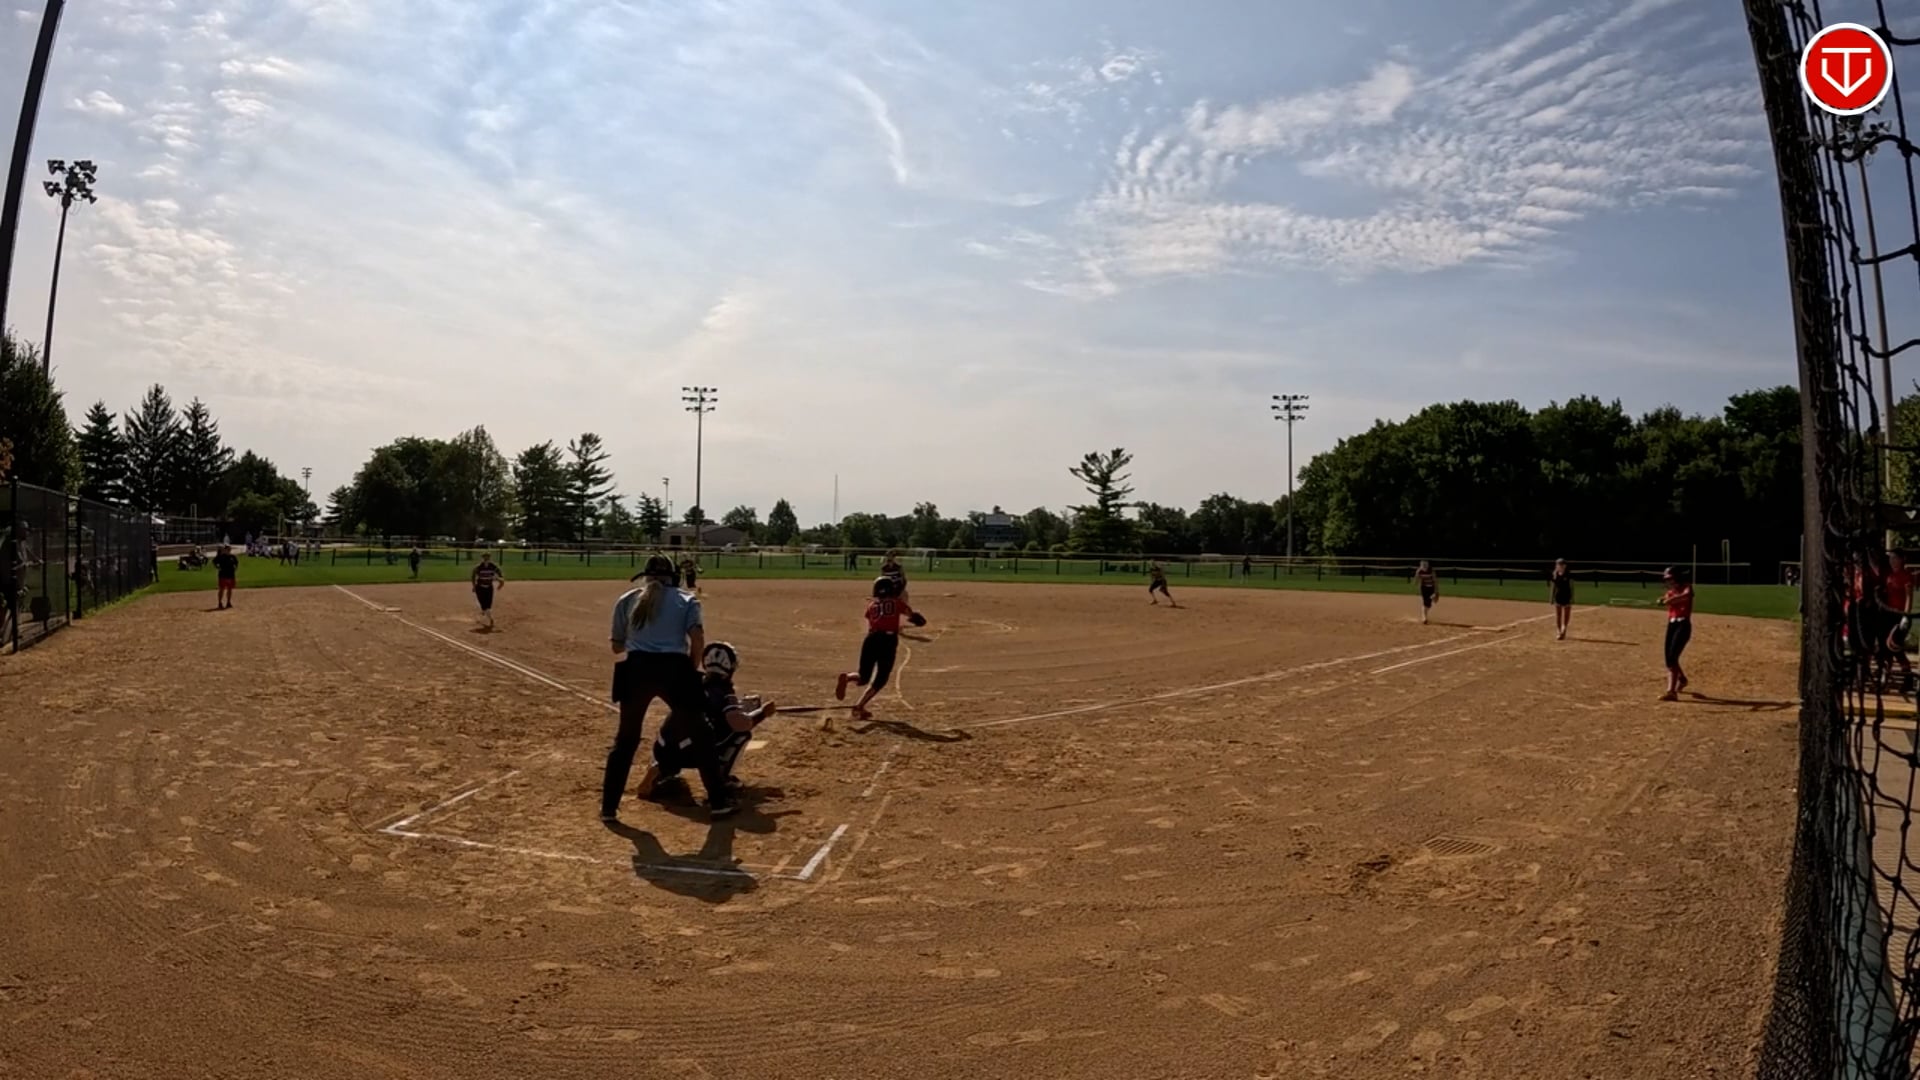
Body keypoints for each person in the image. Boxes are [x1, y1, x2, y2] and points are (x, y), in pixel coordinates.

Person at [603, 555, 722, 818]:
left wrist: (641, 639)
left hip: (635, 669)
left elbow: (617, 647)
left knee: (626, 739)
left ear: (645, 577)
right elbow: (697, 638)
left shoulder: (627, 600)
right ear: (672, 577)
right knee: (701, 734)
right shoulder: (686, 600)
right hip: (674, 668)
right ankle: (719, 802)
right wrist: (691, 669)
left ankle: (609, 808)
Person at [637, 641, 779, 803]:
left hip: (662, 749)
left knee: (682, 730)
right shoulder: (725, 692)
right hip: (691, 753)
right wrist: (762, 713)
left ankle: (660, 769)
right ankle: (722, 779)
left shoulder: (691, 682)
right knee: (741, 734)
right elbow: (739, 723)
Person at [833, 575, 926, 727]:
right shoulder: (897, 602)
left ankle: (848, 677)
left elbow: (872, 620)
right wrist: (917, 620)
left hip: (870, 639)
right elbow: (911, 615)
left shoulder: (872, 605)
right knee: (880, 679)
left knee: (863, 676)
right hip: (888, 641)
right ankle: (859, 706)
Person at [1658, 566, 1694, 701]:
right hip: (1672, 625)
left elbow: (1686, 596)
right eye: (1667, 579)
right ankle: (1682, 679)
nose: (1669, 582)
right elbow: (1667, 598)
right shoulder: (1670, 592)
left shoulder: (1687, 588)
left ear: (1677, 578)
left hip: (1683, 626)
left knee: (1672, 656)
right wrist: (1663, 600)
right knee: (1669, 658)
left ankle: (1671, 692)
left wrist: (1670, 600)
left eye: (1670, 579)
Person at [470, 552, 505, 628]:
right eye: (485, 557)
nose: (486, 559)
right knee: (484, 605)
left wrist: (499, 580)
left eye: (488, 557)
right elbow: (473, 576)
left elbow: (501, 576)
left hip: (489, 587)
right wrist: (474, 586)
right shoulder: (479, 567)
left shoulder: (493, 566)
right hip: (480, 588)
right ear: (482, 558)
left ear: (489, 558)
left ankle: (485, 611)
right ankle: (491, 619)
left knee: (488, 605)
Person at [1549, 558, 1574, 640]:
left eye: (1561, 564)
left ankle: (1564, 628)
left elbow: (1571, 586)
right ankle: (1559, 631)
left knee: (1566, 615)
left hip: (1567, 596)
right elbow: (1553, 587)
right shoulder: (1555, 574)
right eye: (1558, 564)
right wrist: (1551, 598)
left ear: (1565, 566)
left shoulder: (1568, 574)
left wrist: (1572, 598)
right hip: (1558, 596)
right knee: (1558, 615)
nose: (1559, 566)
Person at [213, 544, 239, 610]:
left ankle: (228, 602)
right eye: (227, 549)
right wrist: (217, 567)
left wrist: (235, 567)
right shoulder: (221, 557)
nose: (229, 550)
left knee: (230, 589)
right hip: (223, 575)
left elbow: (236, 563)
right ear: (225, 550)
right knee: (221, 589)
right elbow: (214, 562)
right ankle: (220, 603)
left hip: (231, 575)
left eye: (229, 549)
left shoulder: (232, 557)